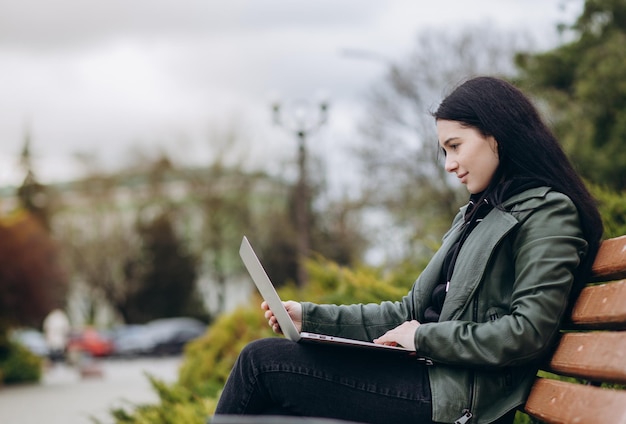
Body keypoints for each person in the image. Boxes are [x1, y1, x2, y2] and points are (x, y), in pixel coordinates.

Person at [214, 76, 604, 424]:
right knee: (272, 384)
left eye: (455, 146)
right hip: (423, 375)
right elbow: (405, 314)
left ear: (496, 135)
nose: (449, 165)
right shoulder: (475, 214)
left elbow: (527, 332)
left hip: (453, 399)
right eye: (444, 151)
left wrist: (423, 339)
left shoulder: (548, 212)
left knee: (262, 364)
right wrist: (310, 319)